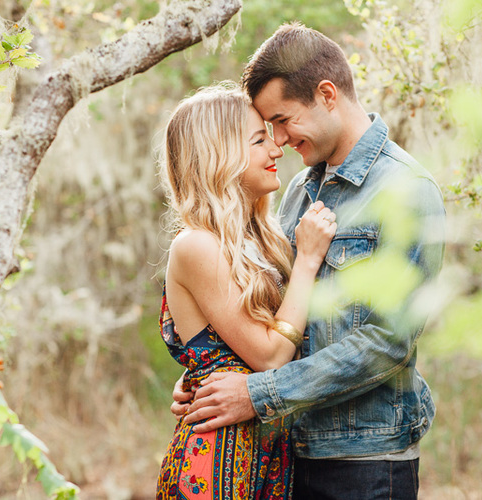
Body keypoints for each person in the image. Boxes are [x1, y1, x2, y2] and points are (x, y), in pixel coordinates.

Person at [174, 24, 446, 499]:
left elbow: (388, 341)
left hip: (363, 460)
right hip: (284, 455)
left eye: (282, 120)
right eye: (266, 130)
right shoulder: (298, 191)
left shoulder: (407, 190)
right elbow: (277, 315)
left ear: (327, 95)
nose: (277, 140)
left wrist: (257, 395)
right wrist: (209, 372)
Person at [156, 82, 337, 499]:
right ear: (219, 155)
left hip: (266, 459)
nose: (277, 149)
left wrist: (197, 377)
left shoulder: (258, 241)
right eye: (259, 140)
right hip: (214, 465)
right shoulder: (197, 245)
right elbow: (270, 355)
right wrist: (308, 261)